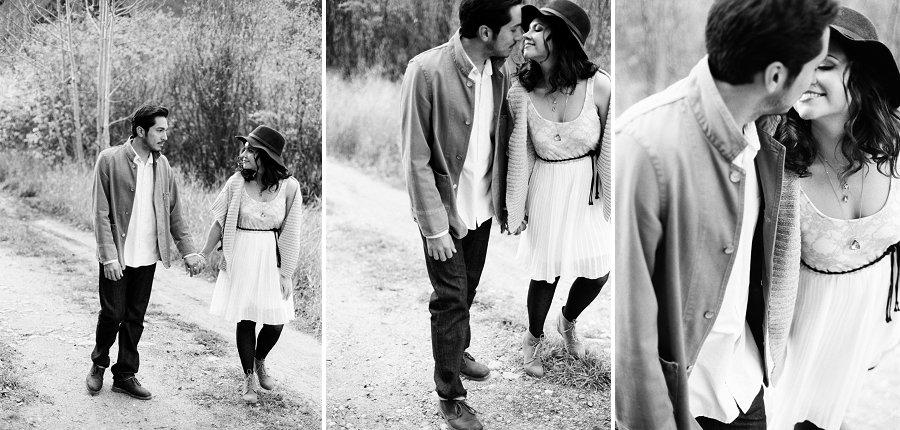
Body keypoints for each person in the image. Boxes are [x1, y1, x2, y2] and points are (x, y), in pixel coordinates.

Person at [614, 0, 838, 428]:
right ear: (775, 76)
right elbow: (630, 338)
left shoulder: (767, 134)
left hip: (743, 384)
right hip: (685, 401)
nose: (812, 81)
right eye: (813, 68)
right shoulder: (644, 148)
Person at [766, 7, 900, 429]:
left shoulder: (896, 152)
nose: (806, 77)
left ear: (860, 76)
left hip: (876, 353)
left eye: (823, 64)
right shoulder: (776, 165)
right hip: (799, 354)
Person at [399, 0, 522, 428]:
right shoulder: (426, 71)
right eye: (514, 30)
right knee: (450, 300)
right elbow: (414, 158)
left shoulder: (501, 71)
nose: (519, 37)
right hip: (444, 214)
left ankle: (458, 350)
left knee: (466, 292)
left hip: (482, 207)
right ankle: (449, 393)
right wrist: (433, 229)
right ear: (486, 32)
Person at [505, 0, 611, 378]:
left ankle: (567, 322)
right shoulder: (521, 90)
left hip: (587, 188)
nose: (526, 35)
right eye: (526, 28)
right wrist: (516, 206)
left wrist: (609, 193)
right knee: (546, 271)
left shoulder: (599, 85)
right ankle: (532, 340)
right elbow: (518, 152)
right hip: (546, 183)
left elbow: (611, 145)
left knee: (599, 269)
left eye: (536, 28)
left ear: (561, 37)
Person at [87, 104, 205, 400]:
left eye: (166, 130)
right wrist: (108, 256)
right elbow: (100, 212)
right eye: (160, 130)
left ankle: (125, 374)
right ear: (141, 131)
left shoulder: (163, 166)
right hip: (119, 256)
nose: (166, 136)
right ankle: (99, 363)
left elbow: (175, 213)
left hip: (148, 256)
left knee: (135, 317)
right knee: (112, 314)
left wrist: (188, 251)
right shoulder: (110, 160)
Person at [201, 125, 303, 404]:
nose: (242, 154)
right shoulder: (236, 183)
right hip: (242, 252)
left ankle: (260, 360)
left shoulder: (289, 187)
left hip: (271, 256)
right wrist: (203, 253)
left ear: (265, 156)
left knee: (277, 320)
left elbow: (292, 232)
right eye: (244, 148)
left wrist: (286, 273)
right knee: (246, 317)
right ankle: (248, 379)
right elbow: (220, 223)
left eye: (249, 150)